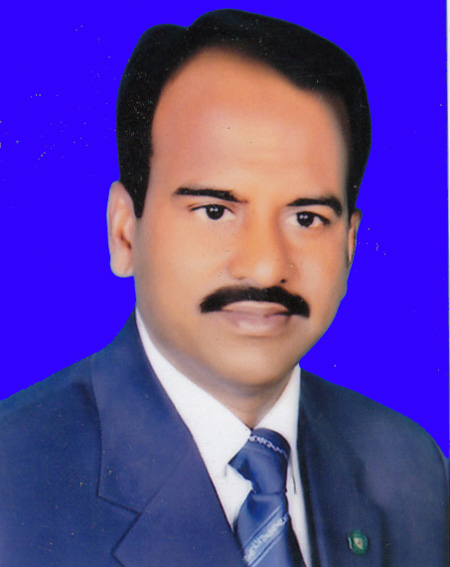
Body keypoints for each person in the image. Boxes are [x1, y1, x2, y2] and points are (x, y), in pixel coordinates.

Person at [0, 9, 447, 567]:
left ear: (350, 245)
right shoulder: (14, 481)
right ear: (124, 231)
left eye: (306, 218)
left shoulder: (410, 465)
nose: (264, 268)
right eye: (215, 210)